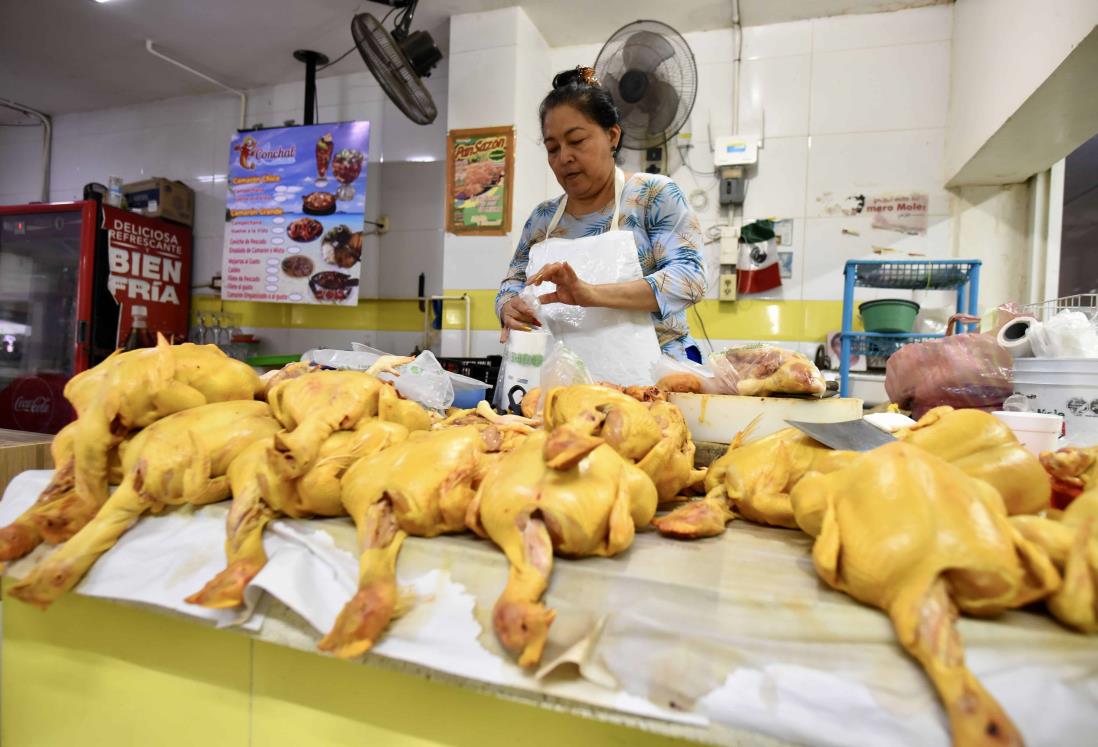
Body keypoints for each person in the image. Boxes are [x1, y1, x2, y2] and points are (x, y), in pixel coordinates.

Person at [495, 66, 708, 362]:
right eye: (552, 148)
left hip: (654, 381)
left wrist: (591, 294)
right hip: (558, 381)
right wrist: (508, 307)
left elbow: (690, 278)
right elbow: (512, 284)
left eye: (577, 141)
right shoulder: (542, 219)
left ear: (612, 135)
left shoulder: (652, 196)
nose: (564, 157)